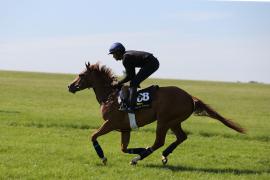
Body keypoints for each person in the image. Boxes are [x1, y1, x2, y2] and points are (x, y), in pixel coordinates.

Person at [108, 42, 160, 113]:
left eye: (113, 54)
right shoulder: (126, 56)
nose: (113, 56)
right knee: (134, 81)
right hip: (151, 62)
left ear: (118, 52)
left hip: (151, 63)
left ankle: (131, 107)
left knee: (133, 82)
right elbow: (132, 75)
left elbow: (130, 76)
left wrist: (118, 83)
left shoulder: (126, 58)